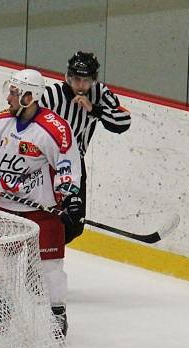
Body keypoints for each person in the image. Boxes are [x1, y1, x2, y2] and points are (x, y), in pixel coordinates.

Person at [0, 68, 83, 337]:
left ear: (30, 96)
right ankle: (1, 309)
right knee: (1, 262)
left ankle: (56, 312)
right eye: (10, 91)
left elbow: (67, 164)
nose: (9, 97)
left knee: (49, 267)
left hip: (41, 211)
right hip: (6, 208)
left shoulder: (53, 129)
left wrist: (70, 197)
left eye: (14, 92)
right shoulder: (0, 121)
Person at [40, 51, 131, 243]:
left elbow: (124, 122)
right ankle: (40, 255)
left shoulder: (99, 94)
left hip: (74, 164)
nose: (81, 85)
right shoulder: (51, 95)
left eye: (86, 80)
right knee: (42, 215)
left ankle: (45, 253)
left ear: (93, 80)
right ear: (69, 77)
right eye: (77, 79)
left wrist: (94, 109)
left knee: (74, 225)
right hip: (45, 162)